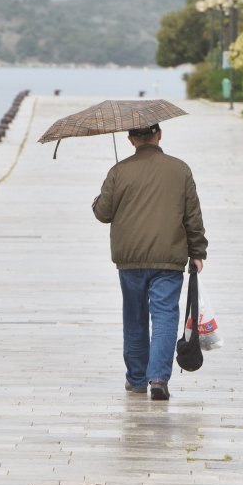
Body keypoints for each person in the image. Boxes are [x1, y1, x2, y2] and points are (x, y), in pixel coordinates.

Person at [92, 124, 207, 400]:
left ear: (131, 139)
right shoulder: (180, 170)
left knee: (134, 316)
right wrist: (198, 251)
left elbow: (102, 213)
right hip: (168, 257)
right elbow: (192, 215)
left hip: (129, 258)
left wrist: (99, 199)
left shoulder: (119, 171)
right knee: (165, 315)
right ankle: (158, 378)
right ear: (159, 135)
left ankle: (136, 379)